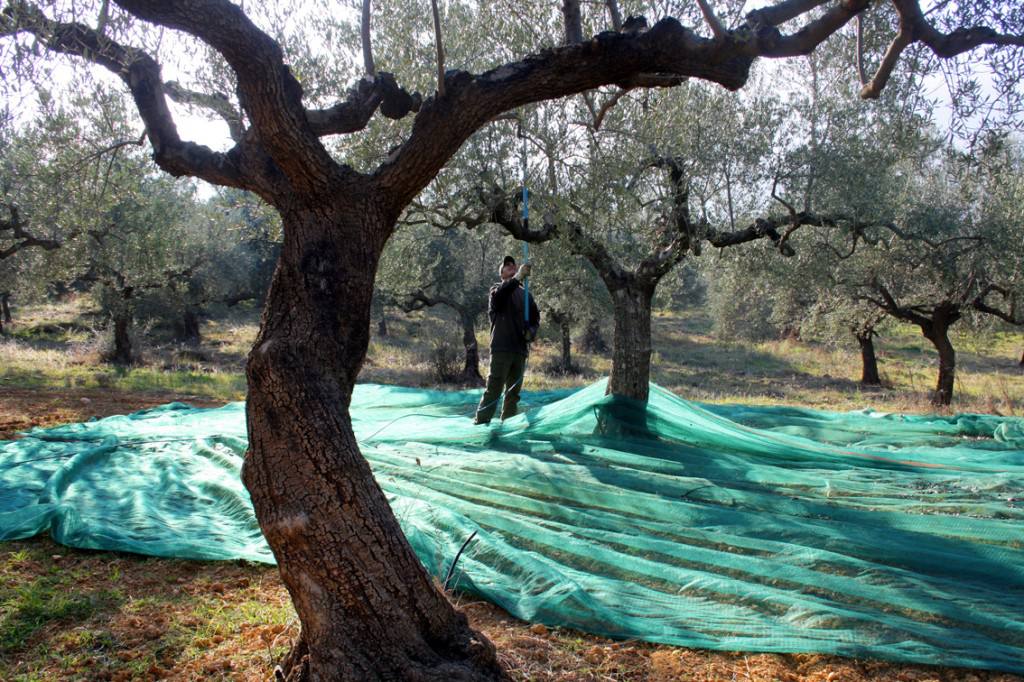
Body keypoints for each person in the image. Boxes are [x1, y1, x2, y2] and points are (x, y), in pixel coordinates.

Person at [474, 255, 540, 424]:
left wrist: (531, 332)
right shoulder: (496, 290)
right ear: (501, 273)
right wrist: (518, 277)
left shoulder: (527, 296)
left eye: (513, 265)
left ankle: (508, 427)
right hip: (501, 348)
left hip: (519, 350)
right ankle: (480, 424)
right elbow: (500, 298)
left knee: (513, 394)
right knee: (494, 390)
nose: (511, 266)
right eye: (507, 266)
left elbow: (535, 319)